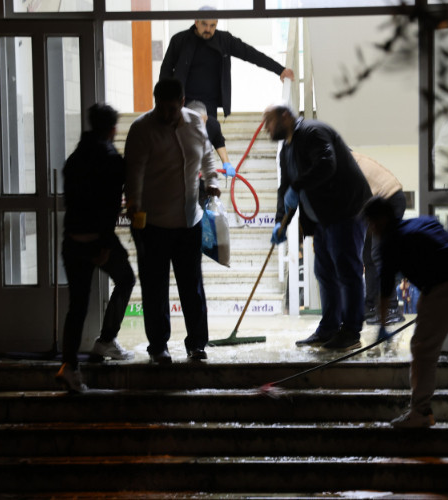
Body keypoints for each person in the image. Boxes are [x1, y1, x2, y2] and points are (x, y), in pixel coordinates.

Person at [362, 196, 448, 428]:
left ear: (379, 221)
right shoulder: (422, 222)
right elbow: (440, 246)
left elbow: (385, 290)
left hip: (446, 282)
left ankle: (421, 411)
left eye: (370, 223)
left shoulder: (389, 241)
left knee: (423, 349)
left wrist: (382, 326)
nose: (371, 229)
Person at [124, 78, 221, 364]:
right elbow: (134, 175)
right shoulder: (142, 129)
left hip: (189, 222)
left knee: (192, 287)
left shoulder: (194, 122)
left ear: (181, 102)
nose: (166, 115)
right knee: (154, 289)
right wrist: (133, 206)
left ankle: (197, 345)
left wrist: (213, 180)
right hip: (152, 224)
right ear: (156, 103)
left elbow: (206, 156)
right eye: (161, 109)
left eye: (172, 109)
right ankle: (158, 347)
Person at [264, 103, 372, 351]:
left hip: (346, 210)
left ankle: (351, 331)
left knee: (347, 270)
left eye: (269, 121)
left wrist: (298, 186)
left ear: (285, 116)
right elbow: (286, 188)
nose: (266, 128)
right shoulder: (286, 149)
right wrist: (282, 221)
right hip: (323, 217)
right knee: (324, 272)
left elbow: (326, 164)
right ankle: (329, 327)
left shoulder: (313, 132)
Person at [159, 6, 295, 177]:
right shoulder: (180, 40)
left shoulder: (224, 40)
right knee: (183, 144)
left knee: (206, 143)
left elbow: (250, 53)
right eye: (204, 25)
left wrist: (280, 70)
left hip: (209, 105)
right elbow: (165, 72)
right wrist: (164, 102)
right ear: (196, 22)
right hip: (183, 101)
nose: (208, 29)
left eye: (212, 26)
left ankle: (202, 189)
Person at [56, 103, 136, 393]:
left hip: (71, 241)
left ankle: (69, 366)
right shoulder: (110, 158)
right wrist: (103, 244)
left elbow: (73, 202)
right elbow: (109, 207)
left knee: (77, 305)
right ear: (113, 129)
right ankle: (105, 340)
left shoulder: (74, 157)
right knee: (126, 278)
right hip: (95, 240)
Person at [352, 151, 407, 326]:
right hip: (376, 203)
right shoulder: (348, 159)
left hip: (389, 200)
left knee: (379, 254)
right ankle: (371, 308)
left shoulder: (348, 163)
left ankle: (391, 308)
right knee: (368, 256)